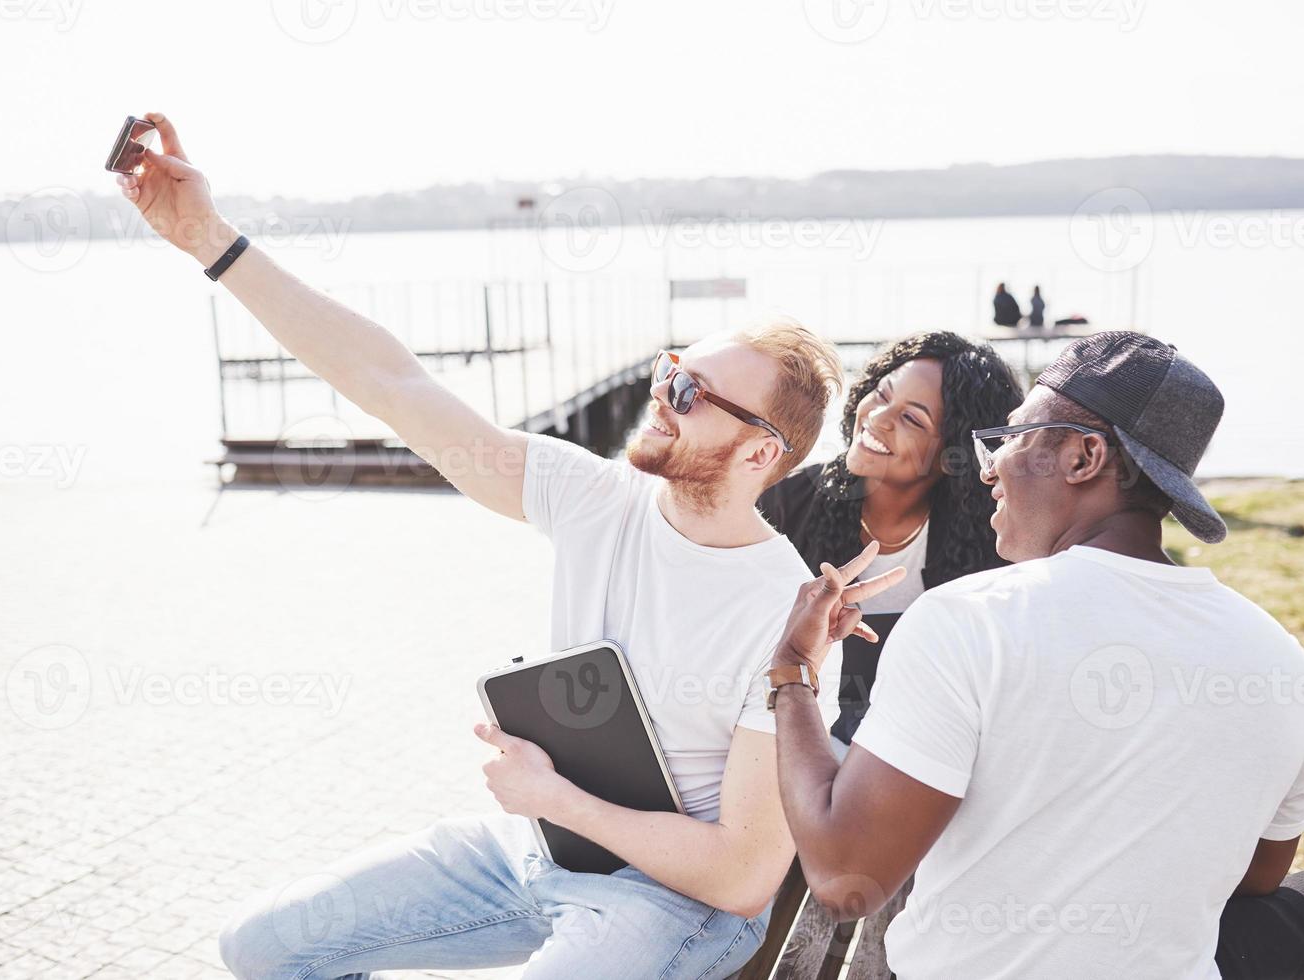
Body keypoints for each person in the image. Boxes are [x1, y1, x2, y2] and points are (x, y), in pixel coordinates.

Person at [117, 113, 849, 979]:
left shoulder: (782, 612)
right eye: (668, 370)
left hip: (670, 899)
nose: (664, 393)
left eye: (690, 392)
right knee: (262, 943)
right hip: (529, 847)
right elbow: (394, 383)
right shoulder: (594, 498)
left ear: (760, 451)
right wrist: (211, 241)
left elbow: (740, 875)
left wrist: (558, 799)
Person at [764, 332, 1304, 978]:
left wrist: (792, 670)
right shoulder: (1281, 664)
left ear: (1082, 456)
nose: (987, 468)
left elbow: (845, 879)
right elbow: (1256, 877)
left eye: (1010, 438)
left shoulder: (970, 623)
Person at [757, 332, 1023, 755]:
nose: (879, 418)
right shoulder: (784, 505)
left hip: (925, 757)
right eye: (882, 392)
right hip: (792, 741)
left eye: (913, 419)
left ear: (953, 453)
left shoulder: (989, 543)